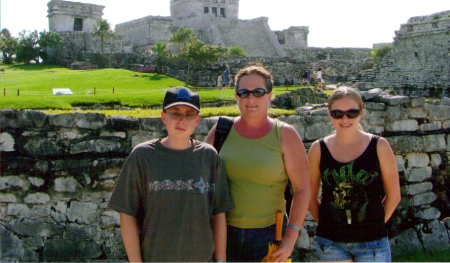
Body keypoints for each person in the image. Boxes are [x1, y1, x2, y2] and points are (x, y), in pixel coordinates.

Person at [108, 86, 234, 262]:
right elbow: (127, 214)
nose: (182, 120)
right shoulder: (142, 156)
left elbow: (219, 213)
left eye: (189, 114)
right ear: (163, 117)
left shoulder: (209, 156)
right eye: (175, 113)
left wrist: (220, 260)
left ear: (197, 120)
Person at [206, 65, 311, 262]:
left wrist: (290, 238)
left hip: (271, 235)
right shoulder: (221, 131)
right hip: (223, 234)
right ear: (236, 96)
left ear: (270, 95)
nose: (251, 99)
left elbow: (303, 188)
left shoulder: (285, 135)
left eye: (258, 92)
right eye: (244, 92)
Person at [308, 86, 401, 262]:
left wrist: (375, 225)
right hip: (331, 243)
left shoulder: (379, 146)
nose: (345, 119)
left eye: (352, 112)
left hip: (372, 242)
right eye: (338, 113)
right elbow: (310, 196)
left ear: (361, 113)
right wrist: (326, 225)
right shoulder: (318, 149)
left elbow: (394, 196)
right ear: (329, 114)